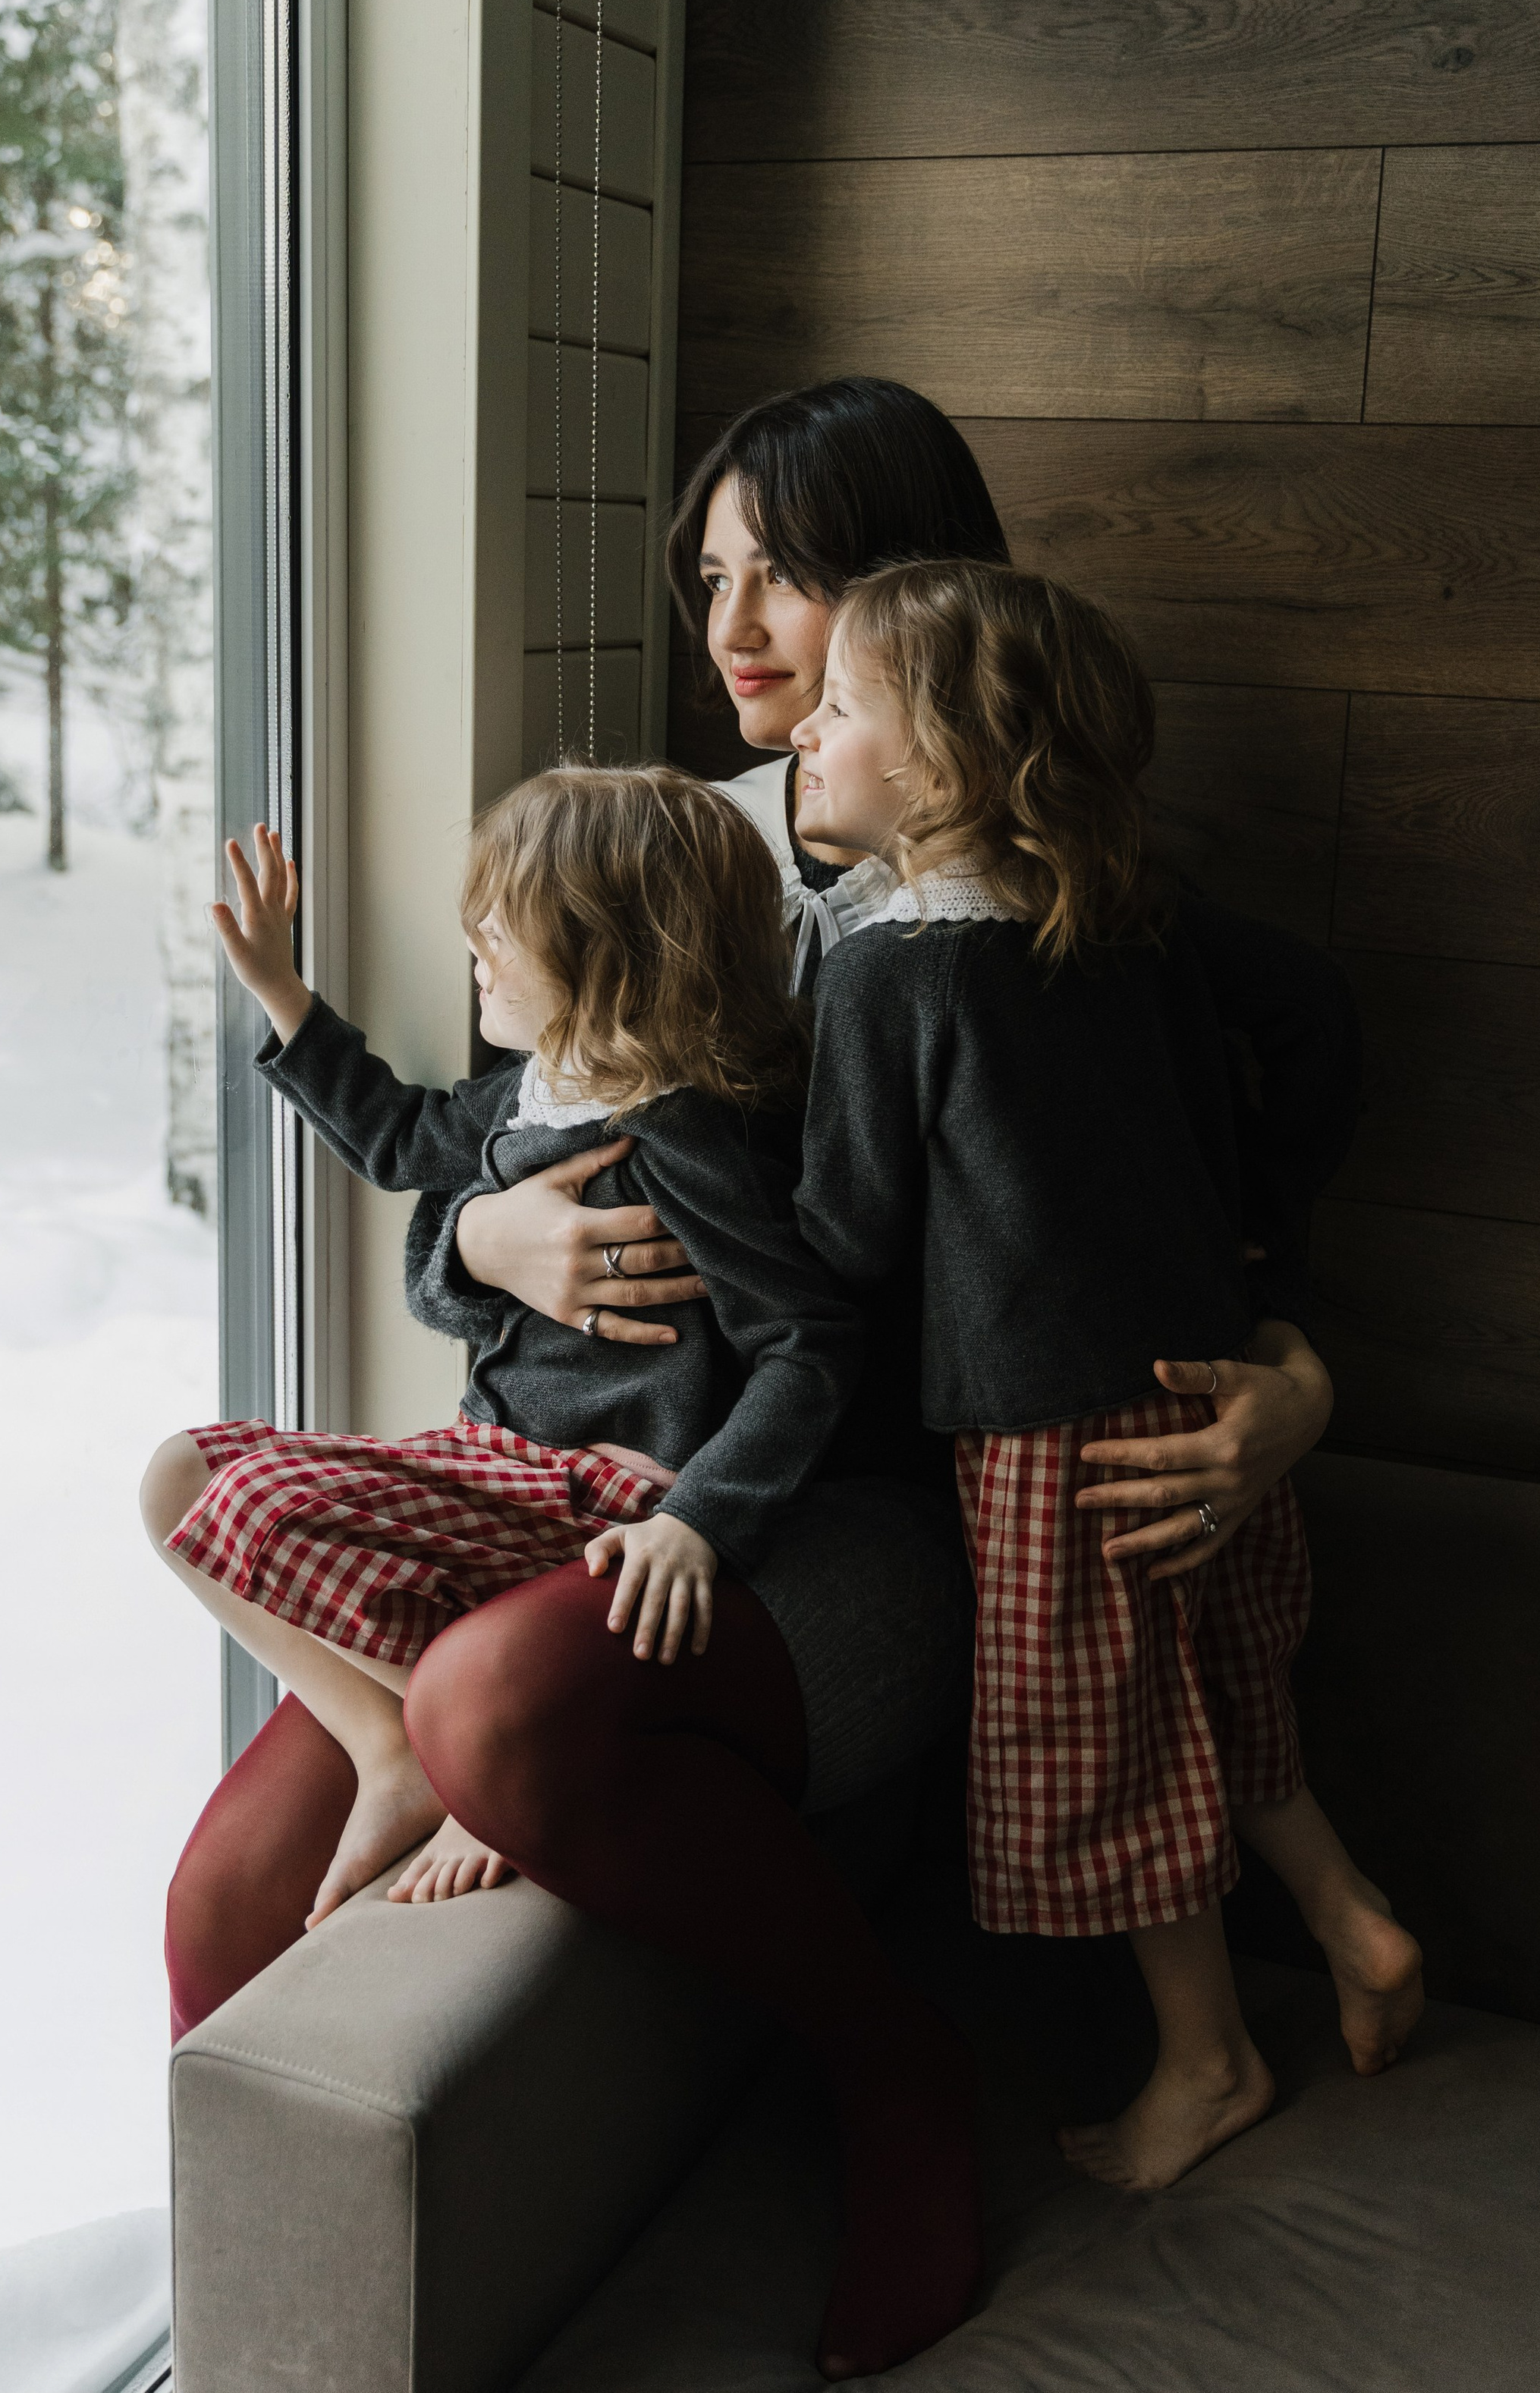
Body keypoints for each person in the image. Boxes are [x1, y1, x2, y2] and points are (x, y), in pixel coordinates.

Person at [162, 382, 1342, 2054]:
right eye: (711, 578)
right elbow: (516, 1131)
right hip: (604, 1445)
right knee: (226, 1902)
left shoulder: (1031, 877)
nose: (732, 628)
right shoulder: (664, 842)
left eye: (784, 577)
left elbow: (1202, 1112)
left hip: (852, 1484)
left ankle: (896, 2081)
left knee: (497, 1707)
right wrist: (474, 1250)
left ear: (917, 598)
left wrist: (1278, 1338)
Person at [145, 769, 979, 2380]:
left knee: (380, 1604)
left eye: (498, 926)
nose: (467, 941)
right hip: (496, 1478)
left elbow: (810, 1342)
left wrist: (700, 1518)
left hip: (612, 1508)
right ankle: (395, 1743)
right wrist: (285, 1000)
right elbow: (404, 1137)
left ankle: (891, 2068)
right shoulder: (531, 1091)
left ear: (604, 955)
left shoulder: (687, 1130)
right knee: (185, 1478)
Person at [787, 557, 1424, 2193]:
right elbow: (1305, 1023)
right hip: (1209, 1394)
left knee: (1120, 1760)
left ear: (936, 766)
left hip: (1050, 1440)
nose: (801, 729)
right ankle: (1350, 1917)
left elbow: (847, 1232)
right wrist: (1261, 1235)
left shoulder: (888, 967)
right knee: (1220, 1701)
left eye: (839, 706)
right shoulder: (1122, 919)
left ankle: (1209, 2062)